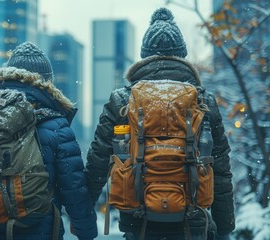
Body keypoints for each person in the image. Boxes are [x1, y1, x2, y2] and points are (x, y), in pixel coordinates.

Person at [85, 7, 235, 240]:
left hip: (137, 219)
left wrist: (83, 216)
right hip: (192, 218)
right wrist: (224, 228)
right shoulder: (203, 101)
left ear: (145, 56)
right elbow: (222, 170)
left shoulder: (122, 100)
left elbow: (98, 162)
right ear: (182, 56)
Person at [0, 41, 98, 240]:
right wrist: (85, 230)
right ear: (46, 83)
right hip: (39, 230)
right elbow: (73, 186)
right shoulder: (55, 124)